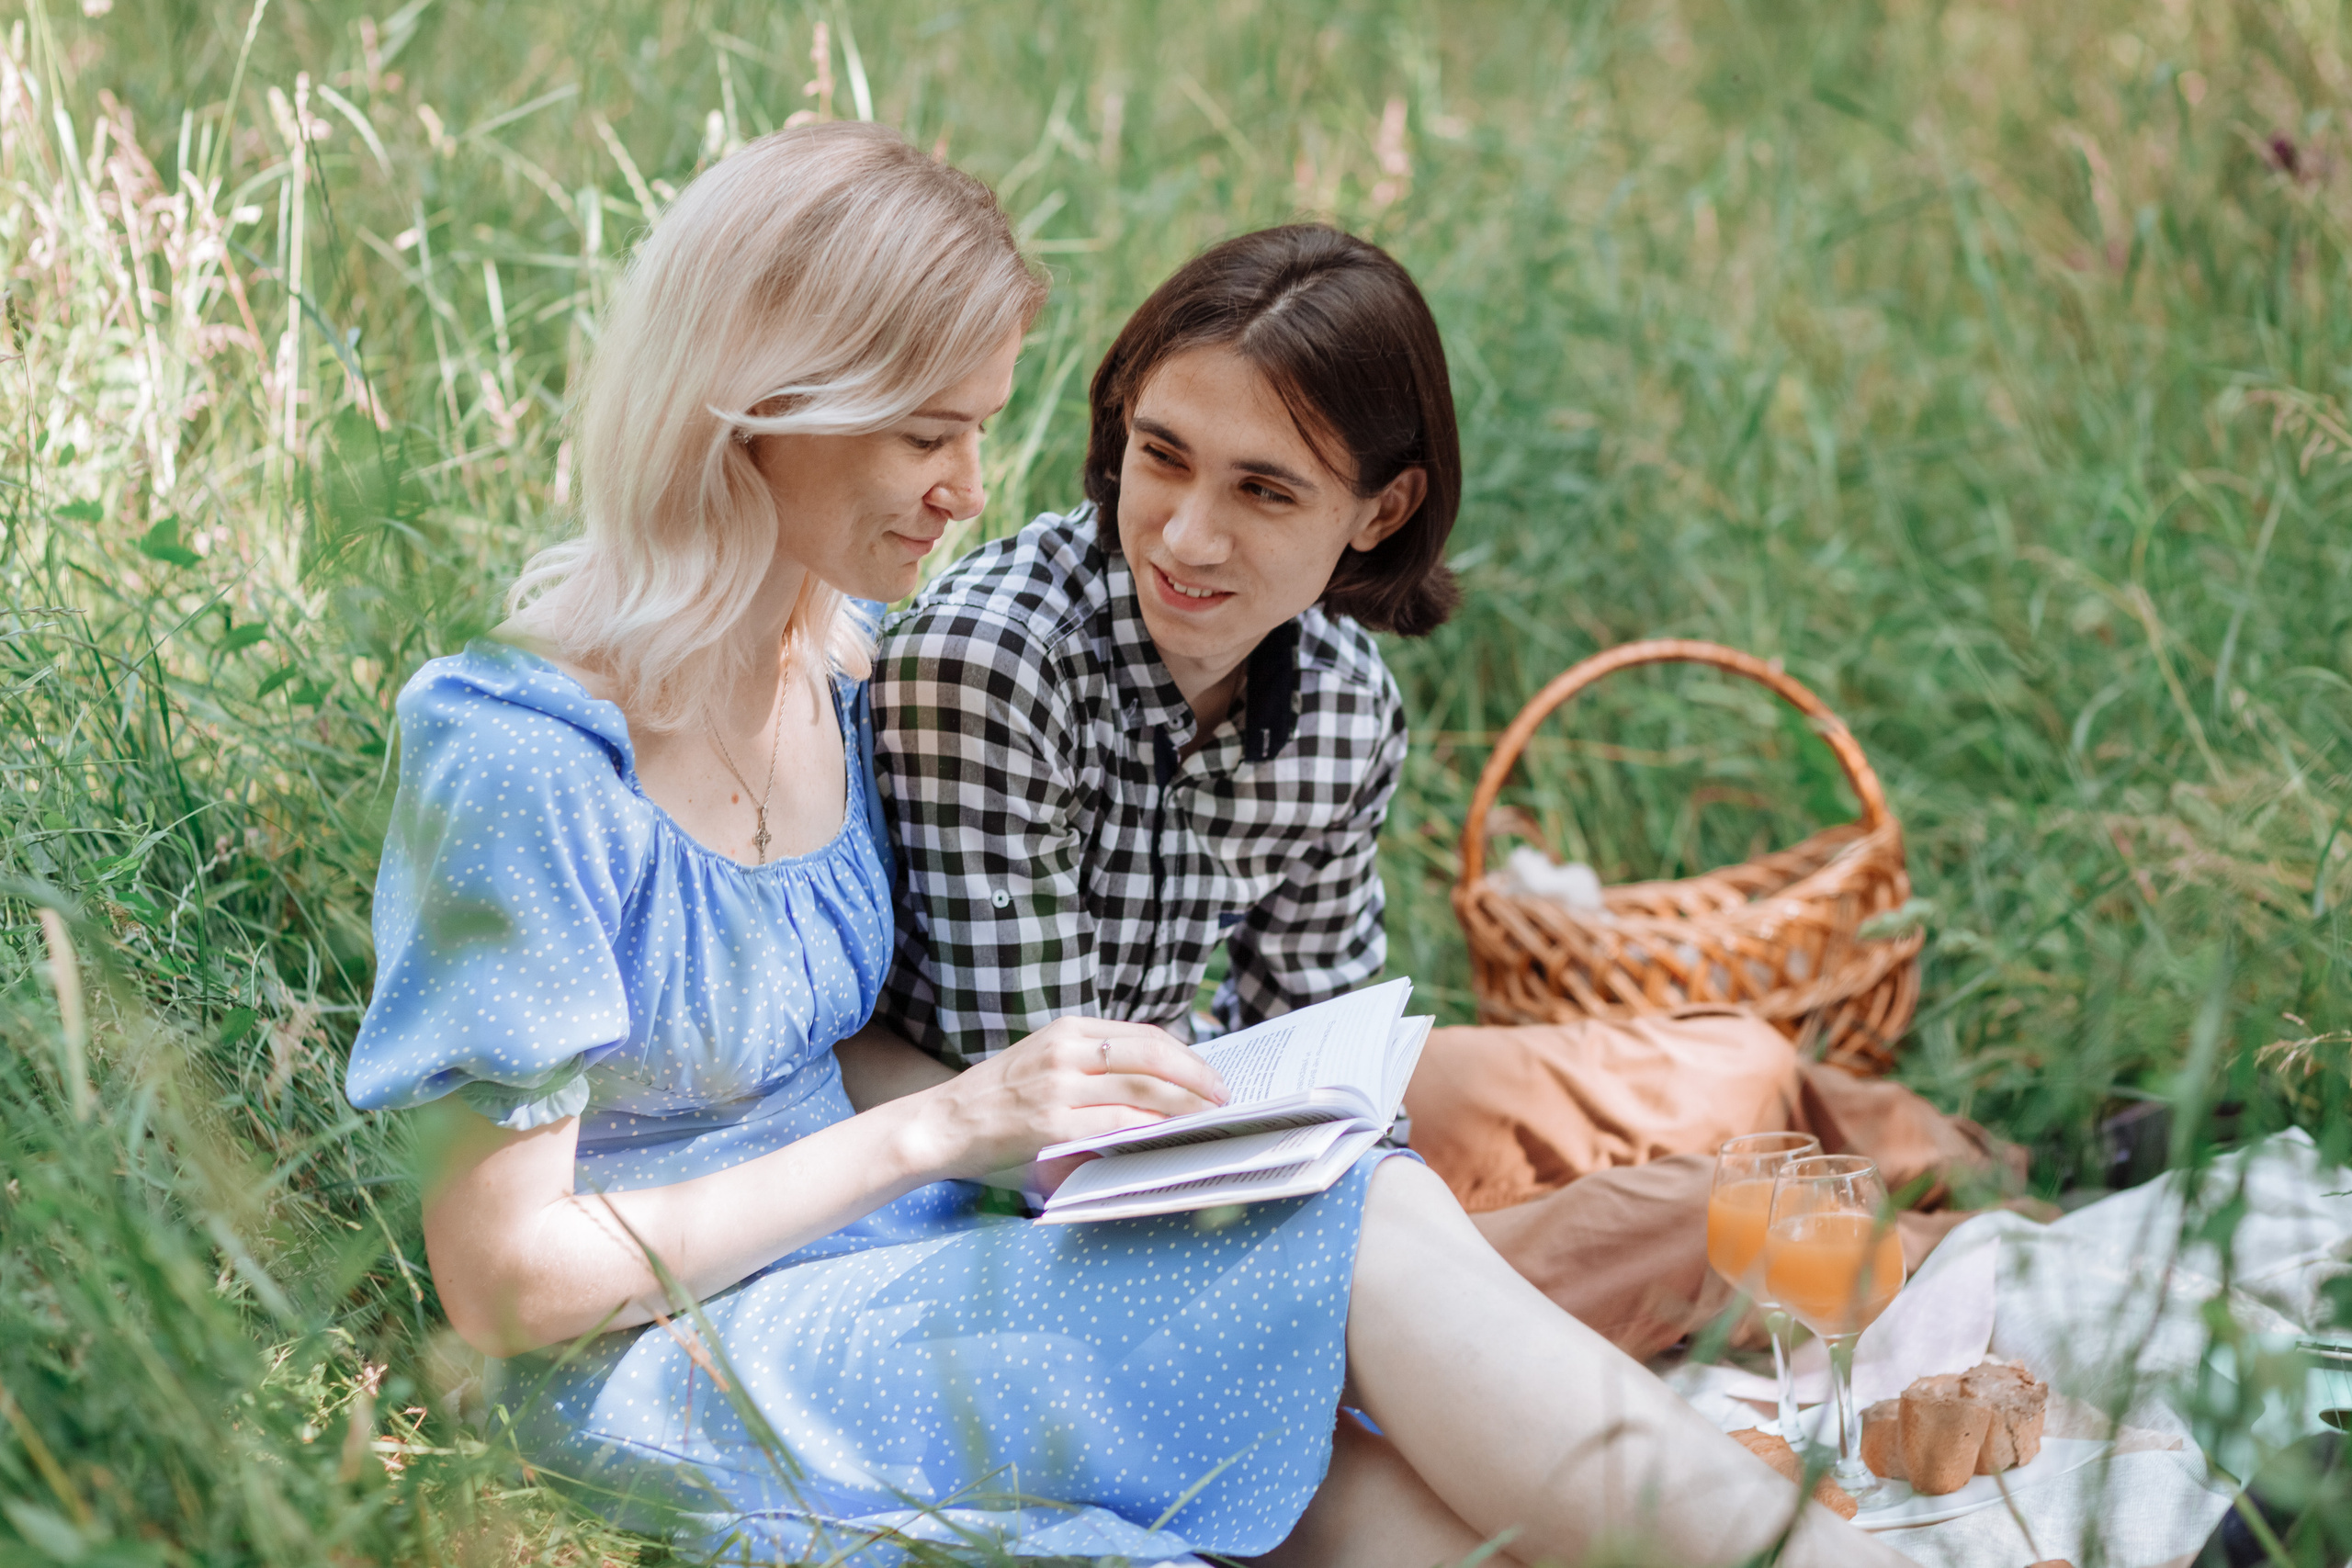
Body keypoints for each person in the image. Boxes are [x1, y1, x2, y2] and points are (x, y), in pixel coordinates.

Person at [345, 122, 1906, 1567]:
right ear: (756, 409)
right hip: (682, 1354)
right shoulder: (527, 758)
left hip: (882, 1247)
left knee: (1367, 1479)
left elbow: (855, 1046)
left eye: (982, 432)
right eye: (923, 438)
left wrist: (1077, 1113)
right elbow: (501, 1284)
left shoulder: (831, 665)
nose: (969, 493)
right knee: (1371, 1245)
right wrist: (948, 1126)